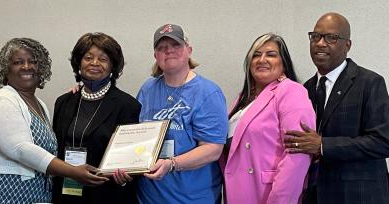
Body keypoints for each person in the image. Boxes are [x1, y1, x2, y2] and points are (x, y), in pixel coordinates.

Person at [0, 38, 108, 204]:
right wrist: (73, 172)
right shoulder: (2, 100)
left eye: (33, 61)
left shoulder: (40, 105)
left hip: (37, 195)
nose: (26, 67)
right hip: (3, 195)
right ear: (6, 69)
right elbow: (21, 149)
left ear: (41, 68)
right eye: (18, 62)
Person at [284, 12, 389, 204]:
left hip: (359, 196)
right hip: (315, 195)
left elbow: (382, 141)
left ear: (347, 45)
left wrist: (323, 145)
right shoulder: (304, 89)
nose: (321, 43)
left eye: (331, 37)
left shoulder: (370, 82)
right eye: (315, 36)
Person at [133, 24, 228, 203]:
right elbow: (136, 134)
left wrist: (172, 164)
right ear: (156, 56)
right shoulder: (147, 89)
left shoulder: (208, 93)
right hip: (148, 197)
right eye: (161, 48)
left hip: (192, 198)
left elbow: (212, 150)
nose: (168, 51)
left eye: (176, 45)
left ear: (189, 50)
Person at [221, 33, 315, 204]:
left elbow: (297, 156)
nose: (262, 59)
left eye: (271, 54)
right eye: (256, 55)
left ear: (284, 63)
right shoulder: (243, 98)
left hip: (267, 195)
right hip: (238, 193)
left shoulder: (291, 91)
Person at [52, 32, 141, 204]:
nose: (94, 63)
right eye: (88, 57)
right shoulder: (64, 102)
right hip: (66, 191)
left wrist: (126, 175)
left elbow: (131, 159)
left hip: (107, 194)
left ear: (112, 66)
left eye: (103, 59)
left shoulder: (127, 105)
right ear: (79, 63)